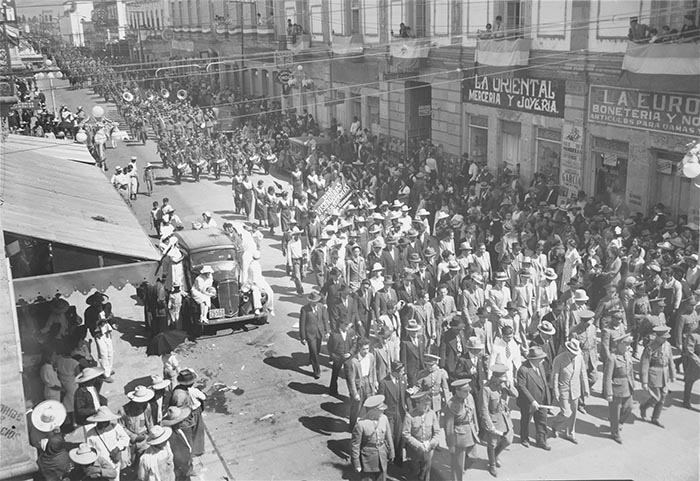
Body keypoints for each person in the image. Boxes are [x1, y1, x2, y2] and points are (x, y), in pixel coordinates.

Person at [479, 363, 518, 478]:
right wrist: (489, 425)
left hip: (505, 418)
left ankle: (495, 455)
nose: (502, 382)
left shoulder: (504, 386)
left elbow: (516, 395)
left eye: (503, 379)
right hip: (493, 420)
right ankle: (492, 464)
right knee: (492, 444)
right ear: (494, 378)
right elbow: (483, 409)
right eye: (501, 380)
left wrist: (509, 386)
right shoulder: (486, 389)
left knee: (508, 440)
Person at [550, 338, 590, 443]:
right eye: (572, 352)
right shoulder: (559, 359)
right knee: (566, 413)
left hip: (575, 389)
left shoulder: (579, 358)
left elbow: (583, 373)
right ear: (568, 350)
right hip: (563, 389)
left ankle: (570, 433)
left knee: (573, 414)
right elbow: (555, 376)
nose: (574, 355)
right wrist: (556, 391)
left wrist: (586, 388)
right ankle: (555, 425)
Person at [516, 346, 552, 450]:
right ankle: (524, 438)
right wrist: (532, 401)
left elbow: (544, 381)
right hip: (528, 402)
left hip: (542, 400)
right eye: (541, 358)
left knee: (542, 421)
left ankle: (541, 441)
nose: (543, 360)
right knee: (526, 421)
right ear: (533, 359)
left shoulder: (540, 365)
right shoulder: (523, 369)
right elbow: (522, 387)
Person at [351, 395, 394, 481]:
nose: (383, 411)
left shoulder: (384, 418)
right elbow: (355, 445)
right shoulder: (361, 424)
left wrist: (392, 452)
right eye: (380, 410)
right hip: (368, 460)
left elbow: (389, 437)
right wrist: (357, 463)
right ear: (373, 410)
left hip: (382, 456)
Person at [640, 325, 675, 428]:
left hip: (664, 374)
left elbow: (670, 360)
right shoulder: (650, 348)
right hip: (654, 374)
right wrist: (644, 381)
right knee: (656, 397)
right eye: (663, 338)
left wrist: (672, 374)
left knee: (663, 397)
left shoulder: (667, 345)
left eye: (666, 338)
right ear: (657, 337)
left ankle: (655, 418)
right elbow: (644, 364)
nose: (665, 339)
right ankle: (644, 407)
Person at [602, 333, 635, 444]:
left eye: (629, 344)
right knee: (615, 412)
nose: (629, 347)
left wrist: (633, 385)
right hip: (616, 388)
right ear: (620, 344)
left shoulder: (628, 355)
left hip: (627, 386)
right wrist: (609, 393)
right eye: (627, 344)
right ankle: (615, 433)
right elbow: (607, 377)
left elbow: (630, 372)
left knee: (629, 407)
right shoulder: (612, 358)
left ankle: (619, 423)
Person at [445, 378, 480, 481]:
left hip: (471, 431)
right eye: (465, 391)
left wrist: (476, 427)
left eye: (468, 390)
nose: (467, 393)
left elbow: (474, 413)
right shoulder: (451, 404)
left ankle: (462, 468)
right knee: (458, 465)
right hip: (459, 436)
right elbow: (449, 426)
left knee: (473, 457)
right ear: (457, 391)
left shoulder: (470, 397)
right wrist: (451, 444)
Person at [402, 390, 441, 481]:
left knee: (426, 473)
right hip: (415, 451)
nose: (426, 407)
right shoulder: (410, 416)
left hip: (428, 449)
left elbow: (437, 432)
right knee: (414, 473)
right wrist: (419, 445)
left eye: (427, 404)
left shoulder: (432, 414)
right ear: (417, 404)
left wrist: (432, 443)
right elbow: (405, 434)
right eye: (424, 404)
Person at [377, 361, 409, 466]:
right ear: (395, 372)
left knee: (399, 435)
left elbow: (404, 396)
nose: (403, 373)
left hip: (400, 412)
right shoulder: (384, 382)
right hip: (389, 413)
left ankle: (398, 458)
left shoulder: (402, 379)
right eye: (402, 371)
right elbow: (381, 399)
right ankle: (389, 457)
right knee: (390, 436)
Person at [85, 406, 130, 479]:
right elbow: (90, 450)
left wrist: (117, 447)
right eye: (101, 422)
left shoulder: (116, 427)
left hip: (114, 462)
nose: (104, 423)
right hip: (101, 466)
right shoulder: (90, 433)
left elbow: (126, 438)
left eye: (106, 421)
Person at [170, 368, 207, 457]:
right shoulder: (192, 391)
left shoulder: (177, 390)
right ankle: (197, 450)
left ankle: (190, 450)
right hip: (194, 412)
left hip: (183, 413)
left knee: (187, 433)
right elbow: (203, 397)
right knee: (198, 431)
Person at [347, 337, 378, 431]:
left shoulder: (371, 357)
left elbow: (373, 371)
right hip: (359, 385)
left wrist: (375, 382)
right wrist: (355, 393)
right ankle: (352, 427)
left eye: (367, 348)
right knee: (356, 408)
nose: (366, 351)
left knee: (370, 405)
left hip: (369, 382)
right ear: (359, 349)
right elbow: (351, 380)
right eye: (363, 349)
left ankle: (369, 427)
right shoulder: (353, 361)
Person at [299, 292, 329, 379]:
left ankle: (311, 358)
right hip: (310, 334)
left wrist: (327, 331)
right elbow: (302, 324)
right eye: (313, 301)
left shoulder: (321, 307)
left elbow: (325, 319)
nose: (315, 303)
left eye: (316, 301)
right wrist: (303, 337)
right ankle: (317, 371)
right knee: (314, 352)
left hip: (319, 333)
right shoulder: (304, 309)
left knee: (317, 350)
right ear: (310, 301)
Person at [162, 406, 194, 481]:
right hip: (180, 471)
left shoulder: (178, 430)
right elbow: (177, 458)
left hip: (185, 467)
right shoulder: (171, 436)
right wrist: (186, 470)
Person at [327, 318, 356, 396]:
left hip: (348, 357)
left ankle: (352, 393)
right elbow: (329, 347)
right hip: (338, 357)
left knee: (349, 376)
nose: (348, 327)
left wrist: (350, 353)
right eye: (346, 325)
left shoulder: (351, 332)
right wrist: (333, 356)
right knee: (335, 374)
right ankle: (333, 390)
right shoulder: (334, 334)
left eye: (348, 325)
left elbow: (355, 344)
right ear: (340, 324)